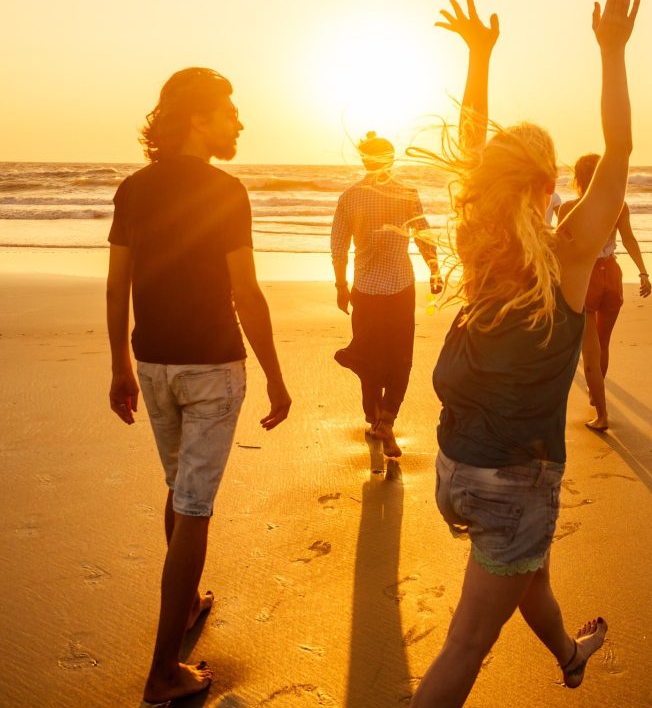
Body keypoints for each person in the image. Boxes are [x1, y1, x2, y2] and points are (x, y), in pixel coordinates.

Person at [409, 0, 640, 706]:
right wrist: (611, 53)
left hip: (455, 466)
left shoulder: (480, 247)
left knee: (530, 574)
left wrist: (479, 57)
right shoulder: (572, 254)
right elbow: (620, 148)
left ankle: (570, 654)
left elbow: (472, 150)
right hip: (516, 481)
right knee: (464, 649)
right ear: (548, 185)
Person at [106, 67, 292, 704]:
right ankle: (162, 673)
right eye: (228, 111)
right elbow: (246, 292)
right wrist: (275, 375)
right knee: (195, 508)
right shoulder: (225, 191)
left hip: (152, 365)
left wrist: (119, 365)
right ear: (195, 118)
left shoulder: (133, 189)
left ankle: (184, 607)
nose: (238, 121)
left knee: (179, 487)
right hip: (211, 368)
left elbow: (117, 286)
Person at [331, 131, 441, 457]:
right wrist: (434, 269)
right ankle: (387, 419)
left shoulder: (350, 197)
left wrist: (341, 286)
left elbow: (339, 247)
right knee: (400, 357)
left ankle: (375, 415)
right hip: (400, 287)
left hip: (365, 289)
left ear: (364, 159)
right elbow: (423, 234)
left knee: (369, 359)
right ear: (392, 159)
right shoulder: (407, 193)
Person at [556, 153, 652, 430]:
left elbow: (560, 250)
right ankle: (596, 396)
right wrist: (643, 272)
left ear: (577, 178)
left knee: (590, 350)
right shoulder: (618, 206)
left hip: (585, 278)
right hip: (612, 274)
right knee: (604, 342)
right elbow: (629, 239)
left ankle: (601, 415)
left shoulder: (569, 209)